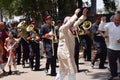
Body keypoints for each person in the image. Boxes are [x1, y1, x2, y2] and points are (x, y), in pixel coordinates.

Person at [55, 8, 88, 80]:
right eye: (72, 23)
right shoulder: (62, 29)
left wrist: (83, 15)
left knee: (63, 71)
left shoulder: (71, 28)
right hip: (64, 53)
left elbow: (78, 22)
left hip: (67, 53)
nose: (73, 24)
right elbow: (69, 23)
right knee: (71, 70)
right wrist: (75, 14)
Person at [102, 14, 120, 80]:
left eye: (118, 20)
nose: (116, 21)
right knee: (112, 63)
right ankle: (113, 75)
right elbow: (101, 29)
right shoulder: (109, 25)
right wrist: (103, 22)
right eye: (115, 20)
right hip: (111, 48)